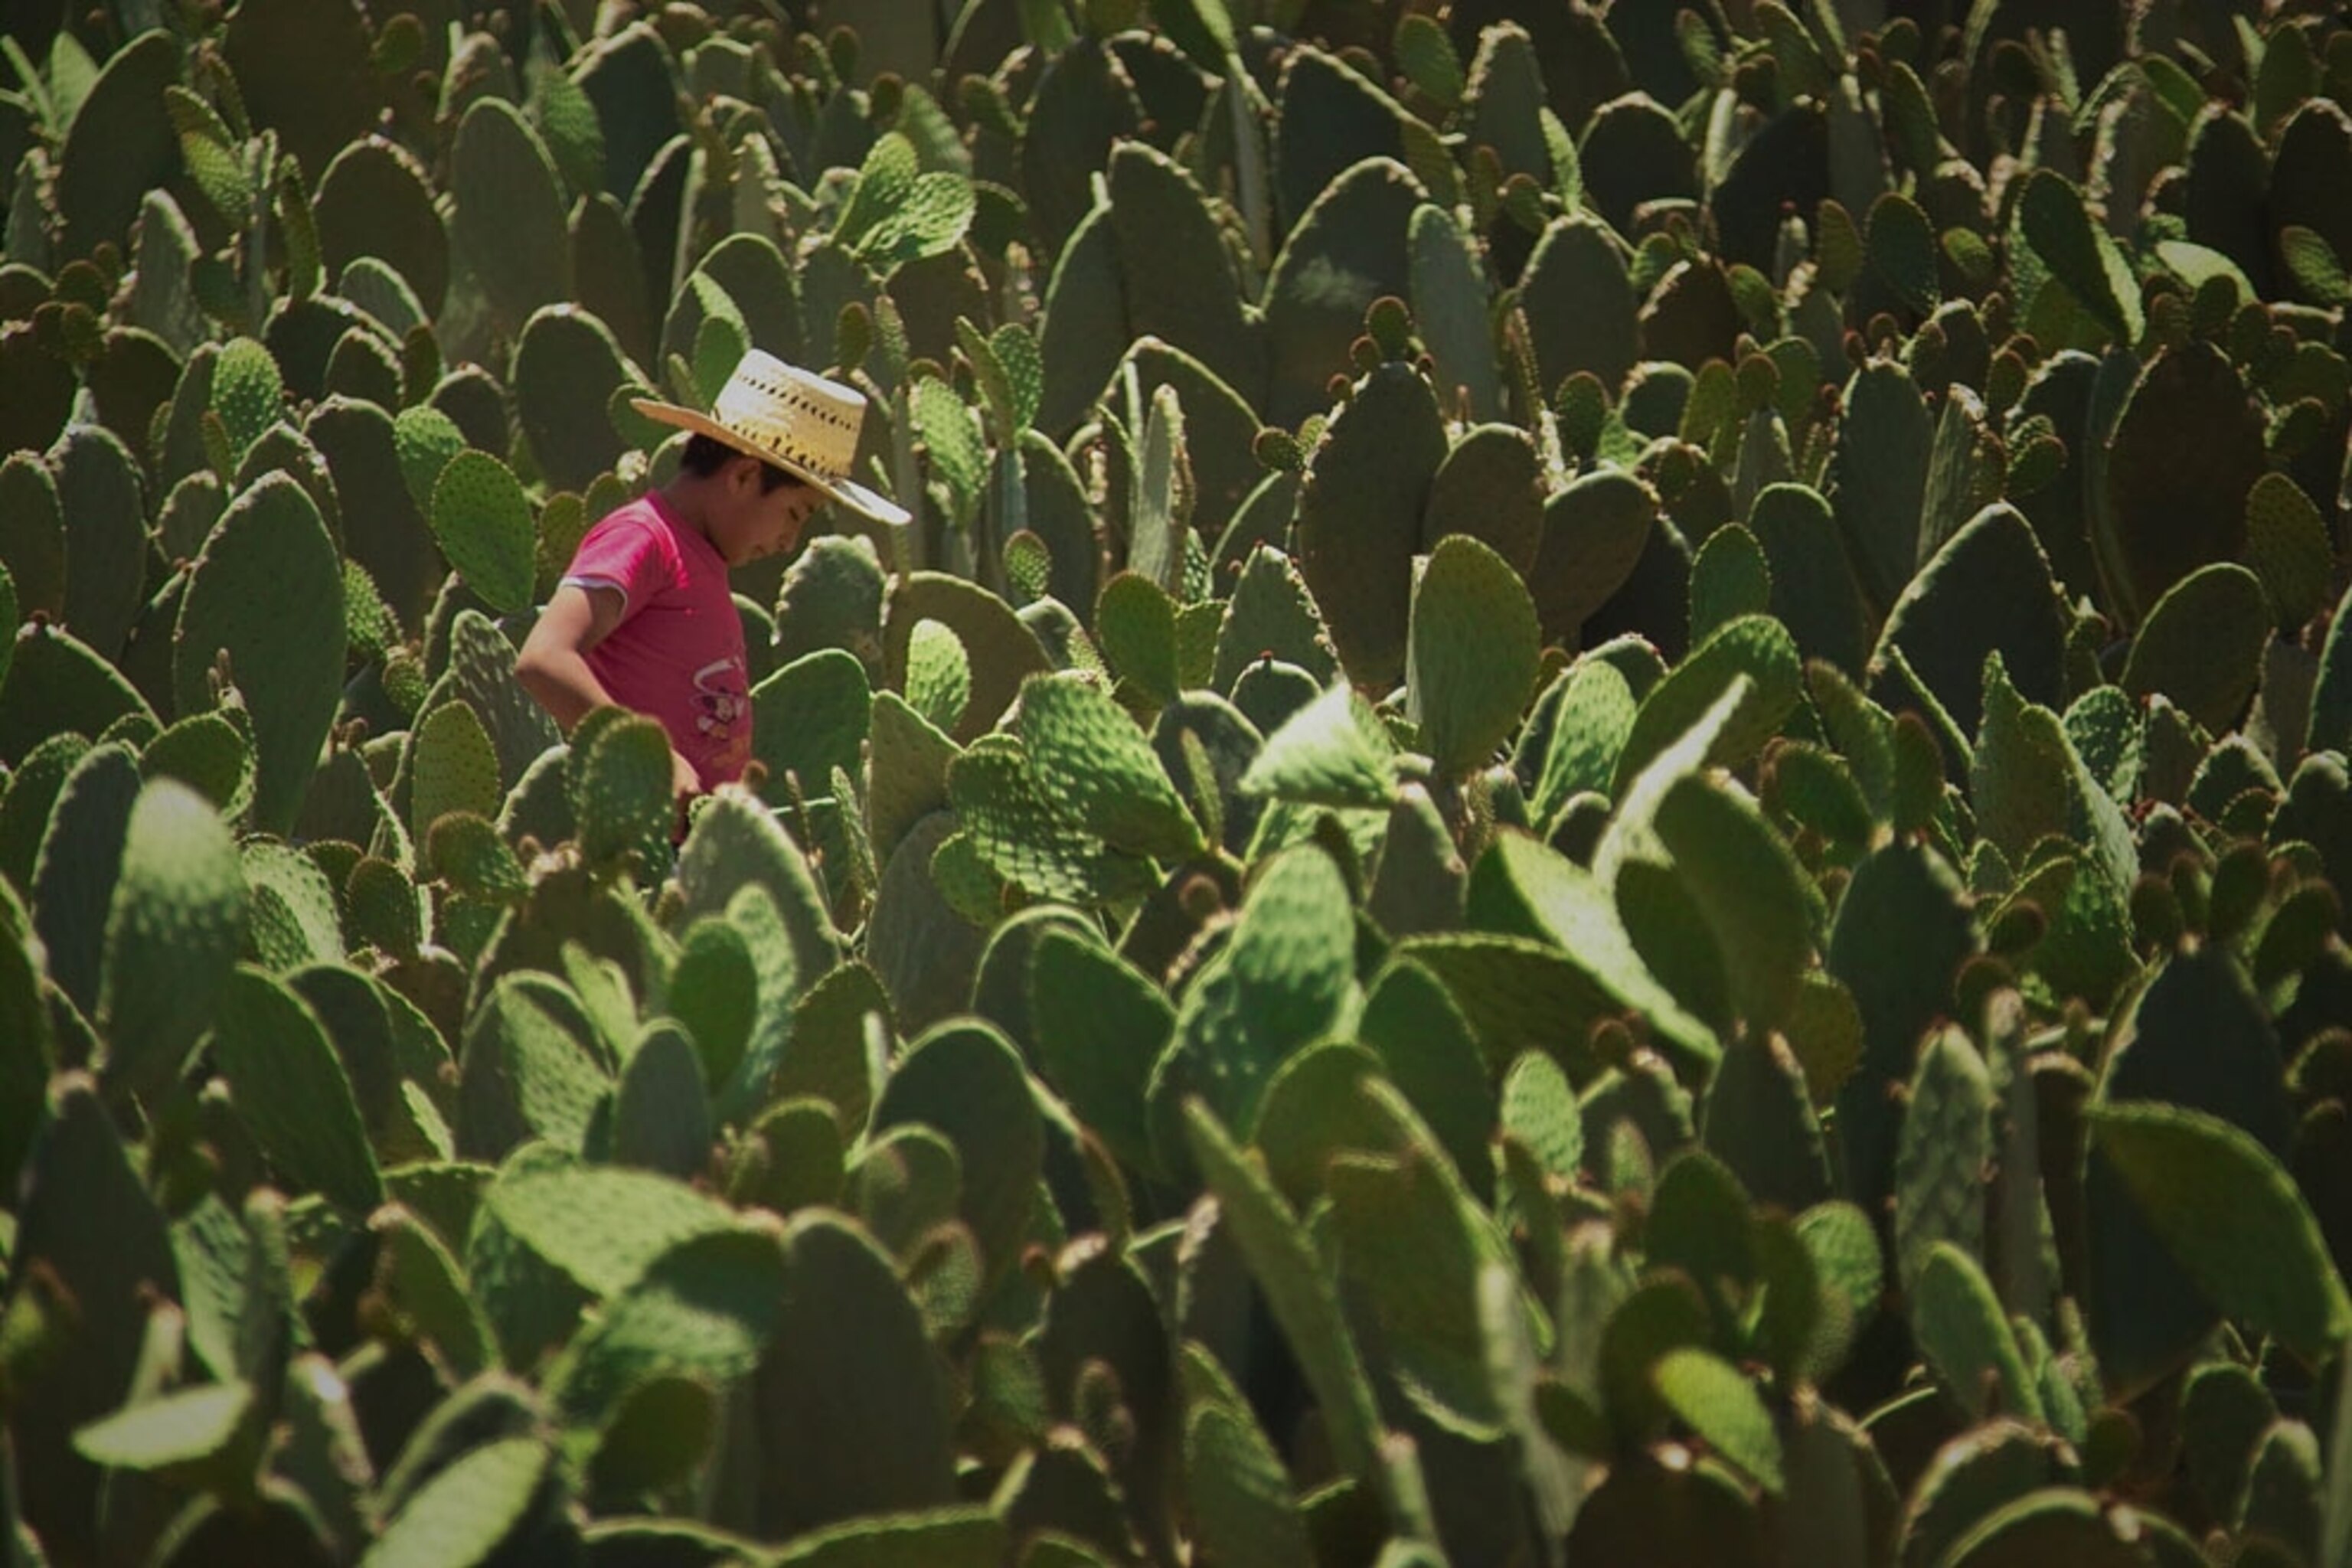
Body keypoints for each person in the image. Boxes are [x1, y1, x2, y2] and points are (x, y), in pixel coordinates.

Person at [514, 350, 910, 814]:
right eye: (794, 514)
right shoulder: (643, 538)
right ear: (744, 476)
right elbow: (544, 658)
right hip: (637, 846)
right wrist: (649, 756)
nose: (789, 543)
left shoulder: (701, 559)